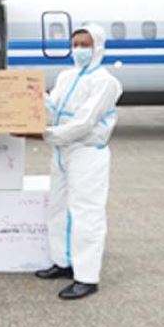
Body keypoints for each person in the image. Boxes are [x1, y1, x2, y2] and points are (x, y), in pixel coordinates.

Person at [35, 23, 122, 300]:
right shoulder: (66, 76)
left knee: (86, 212)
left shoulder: (106, 82)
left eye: (85, 44)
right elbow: (54, 106)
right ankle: (62, 261)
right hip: (62, 151)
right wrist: (31, 94)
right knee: (58, 208)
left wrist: (44, 134)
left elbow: (85, 123)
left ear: (98, 47)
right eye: (75, 45)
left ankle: (87, 276)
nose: (79, 50)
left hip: (86, 151)